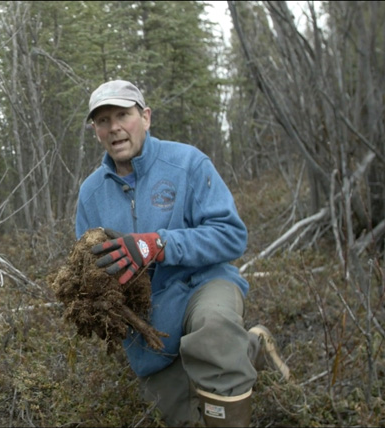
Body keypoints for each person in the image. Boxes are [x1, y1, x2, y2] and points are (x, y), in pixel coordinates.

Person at [75, 79, 290, 427]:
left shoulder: (187, 163)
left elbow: (232, 236)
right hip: (149, 319)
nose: (114, 127)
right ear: (96, 130)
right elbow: (88, 268)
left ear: (145, 117)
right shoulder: (91, 194)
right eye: (102, 120)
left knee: (215, 332)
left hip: (201, 284)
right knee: (186, 418)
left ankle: (227, 350)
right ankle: (251, 346)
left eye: (123, 115)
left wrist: (158, 245)